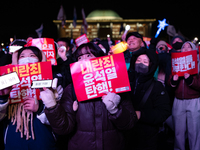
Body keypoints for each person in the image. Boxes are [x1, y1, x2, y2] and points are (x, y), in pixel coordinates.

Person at [41, 42, 138, 150]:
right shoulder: (71, 89)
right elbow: (63, 129)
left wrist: (115, 110)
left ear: (100, 59)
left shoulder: (116, 85)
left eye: (89, 55)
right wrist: (52, 106)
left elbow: (130, 123)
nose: (84, 60)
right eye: (79, 57)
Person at [0, 46, 59, 150]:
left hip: (43, 141)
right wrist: (3, 97)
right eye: (22, 56)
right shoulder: (6, 83)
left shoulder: (52, 83)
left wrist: (40, 108)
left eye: (32, 56)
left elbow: (58, 121)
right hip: (13, 141)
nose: (27, 59)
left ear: (40, 60)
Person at [127, 47, 171, 150]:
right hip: (126, 134)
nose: (140, 63)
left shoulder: (157, 86)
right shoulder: (126, 82)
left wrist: (141, 115)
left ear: (151, 65)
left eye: (145, 61)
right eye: (138, 60)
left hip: (147, 137)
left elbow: (164, 112)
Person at [169, 41, 200, 150]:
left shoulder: (198, 63)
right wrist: (173, 81)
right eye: (184, 47)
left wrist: (191, 80)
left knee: (194, 129)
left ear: (193, 50)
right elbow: (170, 82)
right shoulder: (176, 62)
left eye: (189, 47)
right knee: (178, 130)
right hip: (178, 100)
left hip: (194, 100)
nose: (186, 49)